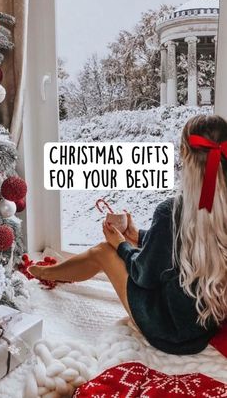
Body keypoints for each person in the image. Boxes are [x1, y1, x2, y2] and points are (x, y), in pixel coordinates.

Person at [29, 114, 227, 355]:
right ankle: (52, 272)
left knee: (103, 251)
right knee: (113, 250)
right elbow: (177, 248)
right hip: (202, 325)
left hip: (167, 332)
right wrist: (138, 235)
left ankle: (44, 272)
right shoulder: (214, 209)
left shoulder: (171, 212)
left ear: (185, 154)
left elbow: (144, 274)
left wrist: (120, 244)